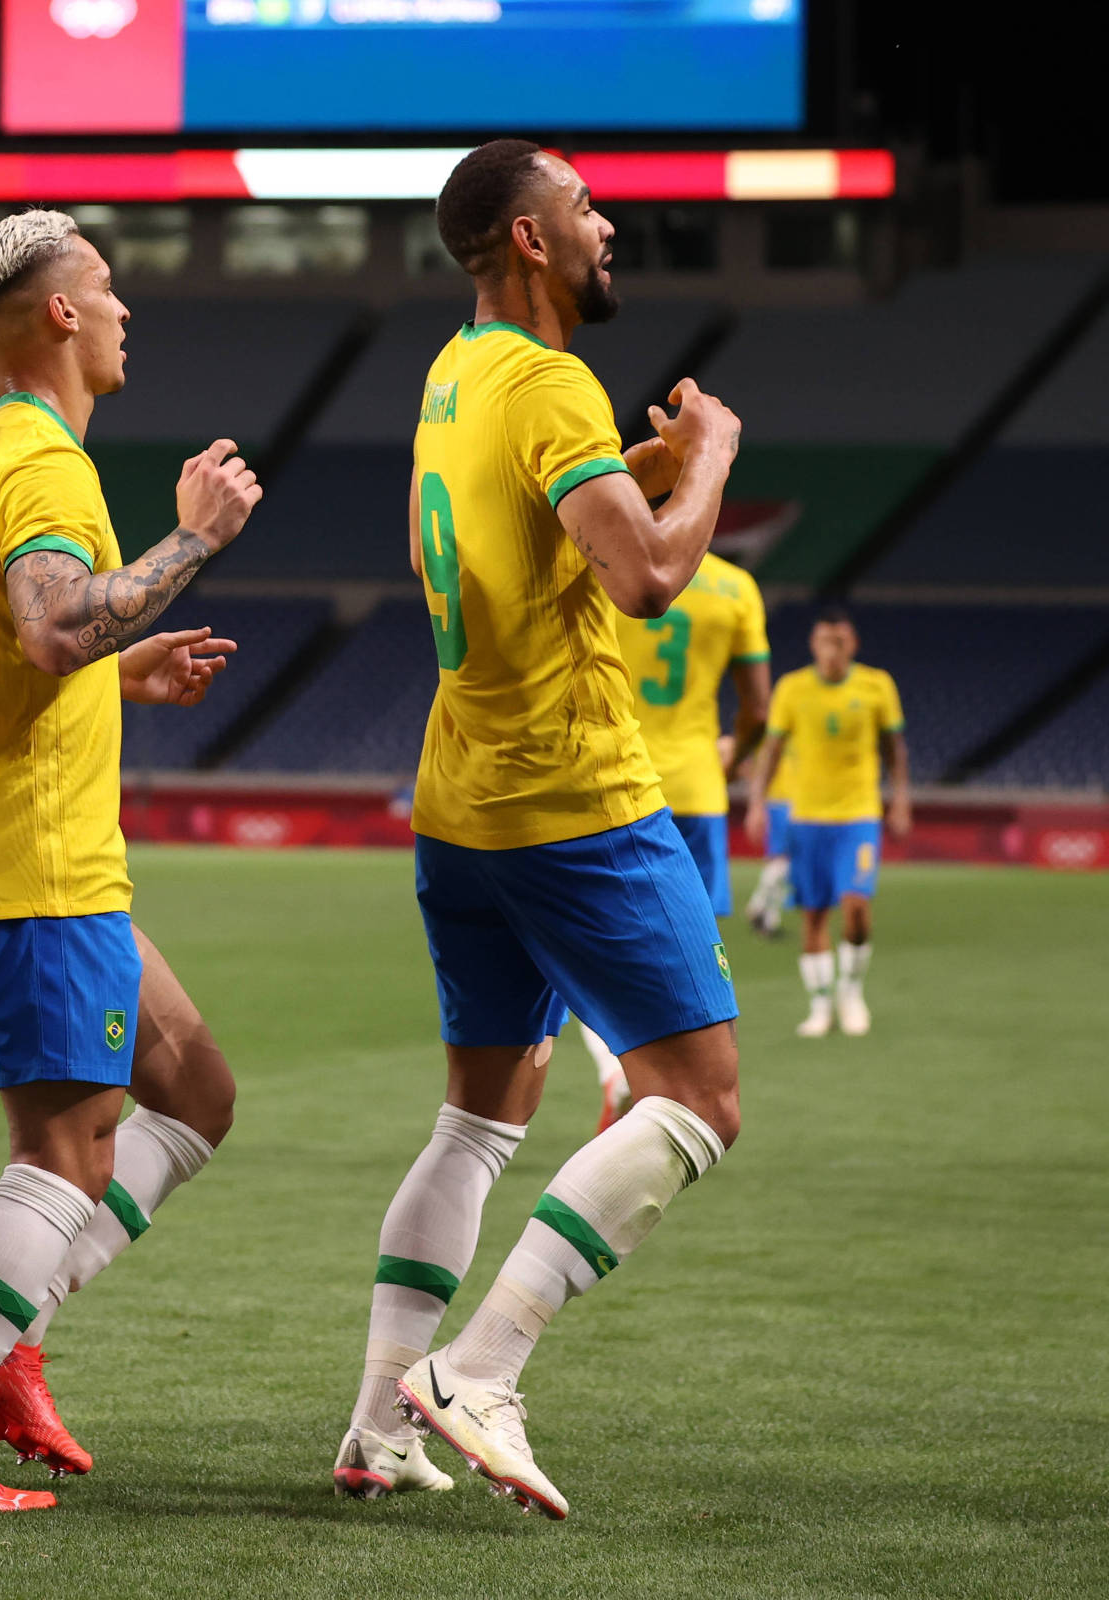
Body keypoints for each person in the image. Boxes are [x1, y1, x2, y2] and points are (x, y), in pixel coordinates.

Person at [336, 140, 743, 1520]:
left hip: (459, 798)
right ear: (527, 235)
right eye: (584, 206)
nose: (606, 222)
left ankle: (377, 1428)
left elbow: (461, 544)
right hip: (571, 801)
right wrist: (711, 462)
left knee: (478, 1119)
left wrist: (629, 469)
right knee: (696, 1099)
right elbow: (650, 575)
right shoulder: (549, 376)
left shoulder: (456, 375)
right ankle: (480, 1371)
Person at [0, 209, 256, 1514]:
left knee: (194, 1090)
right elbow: (42, 629)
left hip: (39, 851)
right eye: (109, 286)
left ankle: (9, 1328)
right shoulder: (39, 459)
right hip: (34, 860)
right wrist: (193, 539)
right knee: (65, 1153)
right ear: (61, 315)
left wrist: (117, 671)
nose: (127, 307)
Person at [586, 550, 770, 1128]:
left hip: (613, 779)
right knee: (691, 952)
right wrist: (733, 757)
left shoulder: (603, 563)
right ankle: (692, 1092)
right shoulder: (737, 587)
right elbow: (758, 709)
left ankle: (619, 1068)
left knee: (583, 947)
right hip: (696, 788)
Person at [747, 606, 909, 1037]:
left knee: (856, 908)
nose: (831, 650)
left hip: (858, 816)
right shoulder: (792, 688)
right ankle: (820, 1007)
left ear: (852, 644)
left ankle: (851, 991)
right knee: (813, 916)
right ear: (813, 644)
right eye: (823, 641)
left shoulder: (877, 686)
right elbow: (773, 750)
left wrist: (900, 800)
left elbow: (894, 748)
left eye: (839, 642)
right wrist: (757, 802)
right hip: (807, 818)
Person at [744, 743, 797, 938]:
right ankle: (758, 906)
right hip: (781, 801)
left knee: (783, 861)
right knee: (783, 861)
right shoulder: (773, 731)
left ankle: (768, 917)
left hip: (791, 801)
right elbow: (747, 762)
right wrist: (757, 796)